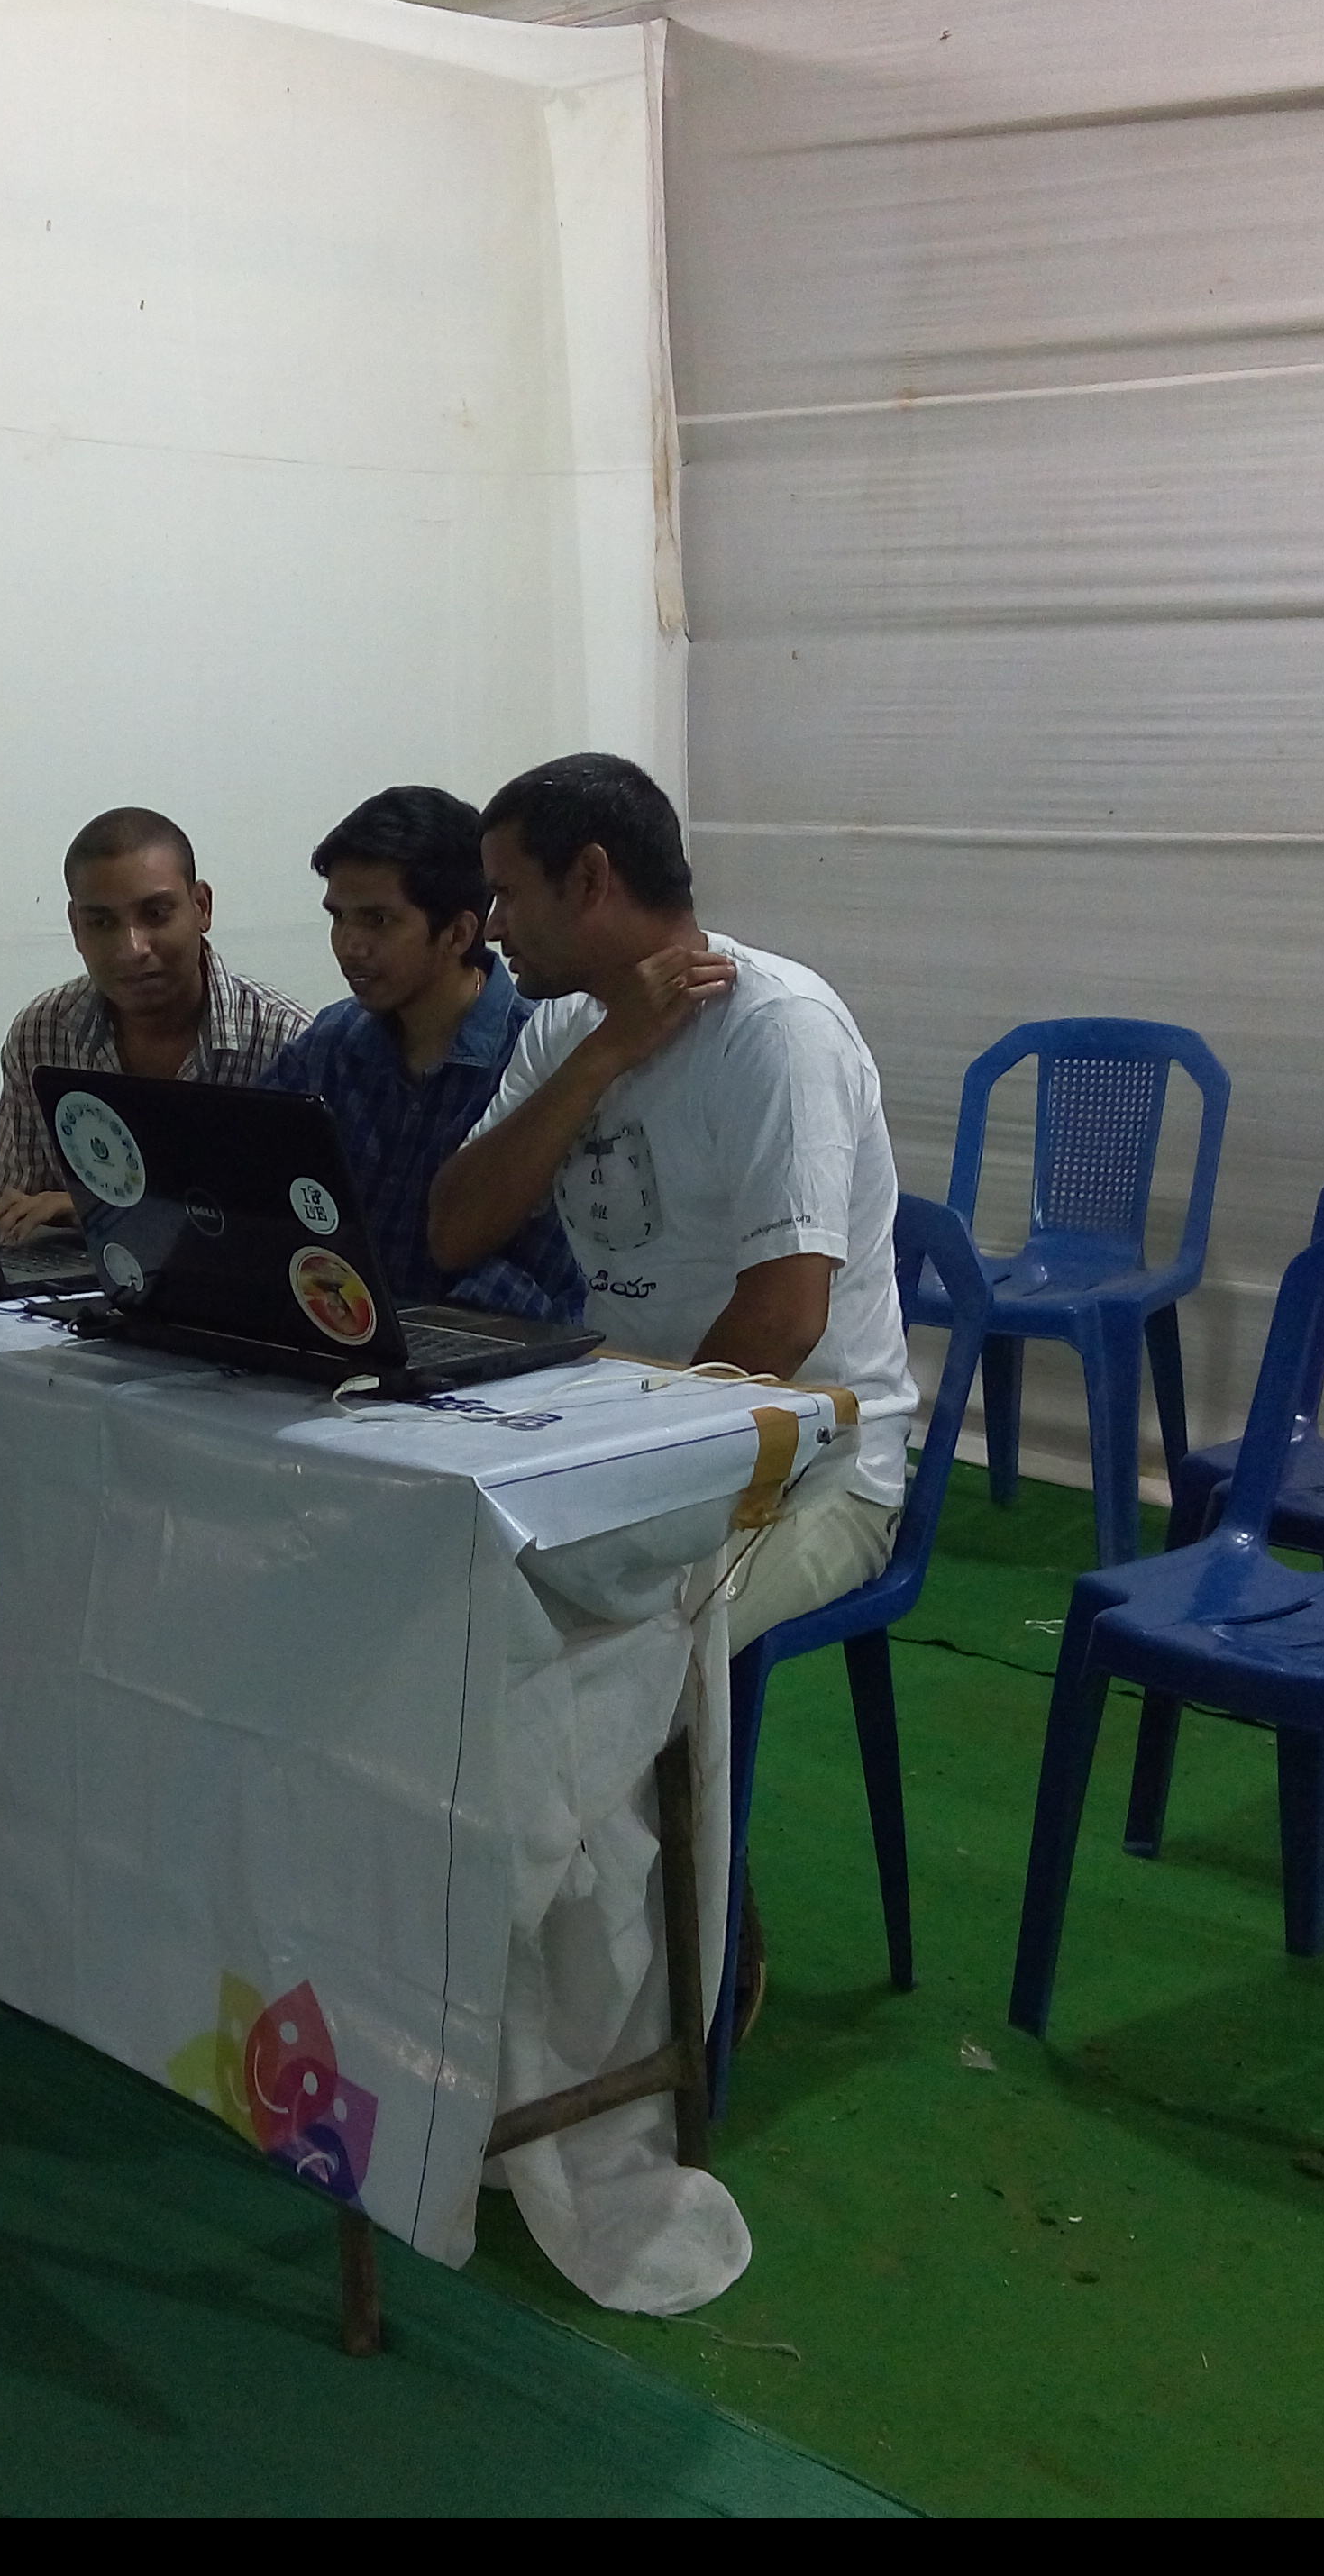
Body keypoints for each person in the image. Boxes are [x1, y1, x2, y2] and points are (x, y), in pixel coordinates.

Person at [427, 753, 919, 2026]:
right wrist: (604, 1058)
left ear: (591, 880)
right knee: (461, 1583)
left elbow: (787, 1321)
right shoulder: (561, 1024)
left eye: (507, 894)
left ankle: (679, 1979)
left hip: (813, 1468)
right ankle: (541, 1964)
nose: (488, 928)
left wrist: (627, 1467)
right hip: (635, 1433)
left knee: (600, 1624)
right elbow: (453, 1226)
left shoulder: (779, 1030)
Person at [262, 785, 582, 1319]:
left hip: (506, 1365)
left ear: (458, 933)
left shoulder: (539, 1050)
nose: (349, 945)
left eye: (378, 920)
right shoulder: (333, 1041)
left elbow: (555, 1281)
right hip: (353, 1338)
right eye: (338, 917)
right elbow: (241, 1170)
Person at [0, 806, 309, 1242]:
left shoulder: (286, 1043)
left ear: (202, 907)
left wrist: (97, 1207)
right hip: (73, 1293)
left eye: (155, 914)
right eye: (101, 922)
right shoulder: (41, 1034)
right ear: (76, 928)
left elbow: (302, 1231)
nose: (131, 948)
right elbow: (14, 1210)